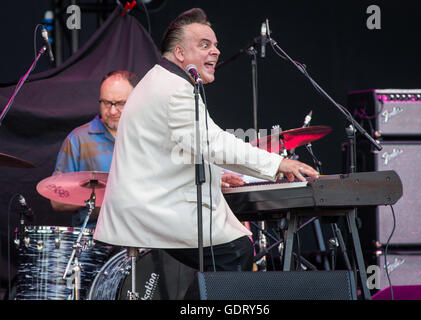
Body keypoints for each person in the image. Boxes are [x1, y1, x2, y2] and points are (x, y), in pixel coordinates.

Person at [93, 8, 318, 273]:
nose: (215, 51)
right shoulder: (174, 89)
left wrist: (212, 176)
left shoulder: (161, 81)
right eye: (204, 45)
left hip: (149, 204)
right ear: (179, 53)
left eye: (215, 45)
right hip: (153, 209)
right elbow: (212, 143)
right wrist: (279, 164)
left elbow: (176, 148)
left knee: (229, 254)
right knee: (235, 250)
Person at [51, 70, 138, 226]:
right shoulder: (78, 139)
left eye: (120, 103)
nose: (112, 111)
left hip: (142, 235)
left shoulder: (147, 136)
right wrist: (97, 196)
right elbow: (56, 200)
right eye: (106, 102)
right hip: (95, 239)